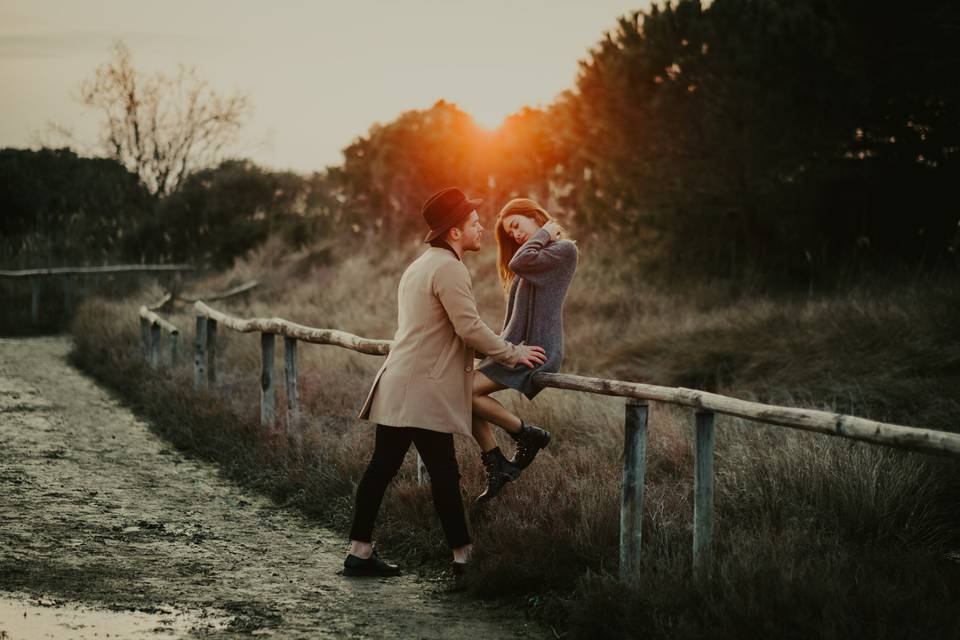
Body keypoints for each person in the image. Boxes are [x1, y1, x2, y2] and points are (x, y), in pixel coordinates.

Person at [344, 187, 547, 578]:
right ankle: (463, 559)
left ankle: (361, 551)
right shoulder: (450, 268)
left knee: (382, 469)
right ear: (454, 232)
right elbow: (468, 327)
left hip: (400, 382)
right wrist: (513, 352)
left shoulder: (420, 265)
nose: (480, 227)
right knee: (442, 473)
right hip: (421, 389)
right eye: (473, 223)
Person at [471, 198, 578, 502]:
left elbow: (518, 260)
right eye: (510, 233)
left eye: (517, 225)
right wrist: (496, 346)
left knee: (464, 392)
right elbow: (514, 320)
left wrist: (545, 231)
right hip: (516, 349)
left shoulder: (563, 251)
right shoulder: (533, 259)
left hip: (538, 352)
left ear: (535, 217)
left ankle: (527, 435)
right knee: (462, 395)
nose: (515, 235)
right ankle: (498, 465)